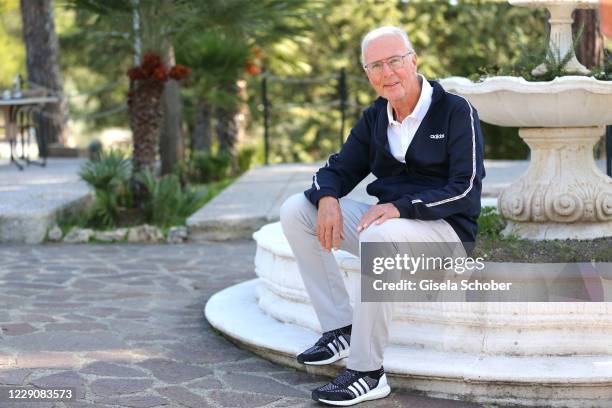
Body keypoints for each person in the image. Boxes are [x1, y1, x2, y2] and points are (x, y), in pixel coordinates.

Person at [280, 26, 485, 406]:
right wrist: (326, 197)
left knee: (379, 232)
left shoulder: (455, 111)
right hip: (392, 231)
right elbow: (338, 168)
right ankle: (340, 328)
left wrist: (401, 207)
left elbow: (466, 188)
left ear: (413, 60)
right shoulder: (375, 117)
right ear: (367, 74)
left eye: (394, 61)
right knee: (297, 210)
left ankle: (367, 372)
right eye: (376, 65)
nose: (387, 72)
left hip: (447, 238)